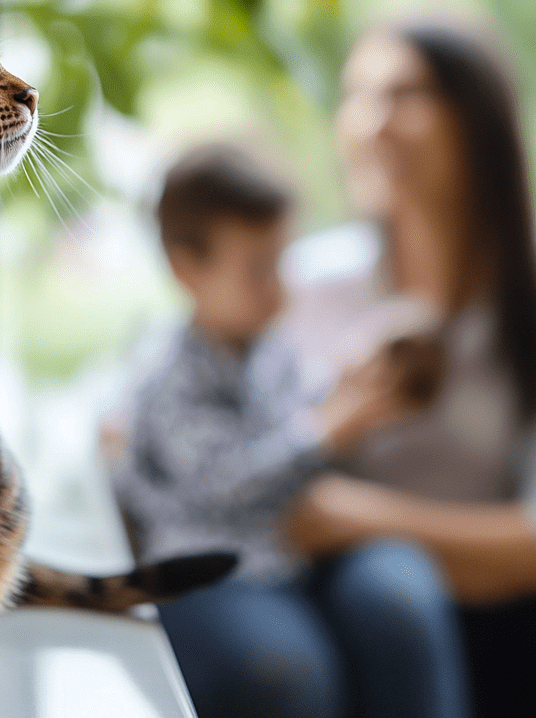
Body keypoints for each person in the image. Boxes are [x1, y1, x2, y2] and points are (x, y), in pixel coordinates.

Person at [110, 142, 471, 718]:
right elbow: (224, 485)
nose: (280, 289)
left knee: (403, 594)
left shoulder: (274, 353)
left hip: (298, 551)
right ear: (187, 269)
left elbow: (301, 428)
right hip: (216, 567)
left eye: (283, 262)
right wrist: (325, 430)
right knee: (285, 671)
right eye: (259, 269)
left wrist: (361, 392)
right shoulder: (169, 378)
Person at [280, 12, 536, 717]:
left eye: (403, 95)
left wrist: (353, 515)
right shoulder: (307, 283)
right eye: (356, 96)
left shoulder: (520, 302)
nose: (370, 122)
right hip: (354, 612)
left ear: (475, 118)